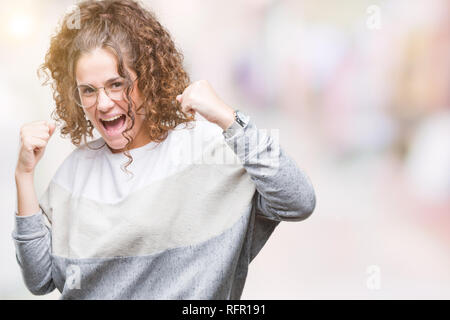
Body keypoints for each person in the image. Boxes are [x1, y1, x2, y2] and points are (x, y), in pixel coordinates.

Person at [12, 0, 316, 299]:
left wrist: (228, 117)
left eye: (117, 84)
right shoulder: (74, 172)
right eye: (88, 90)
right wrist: (24, 175)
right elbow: (39, 280)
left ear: (149, 77)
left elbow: (298, 201)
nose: (102, 104)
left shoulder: (207, 153)